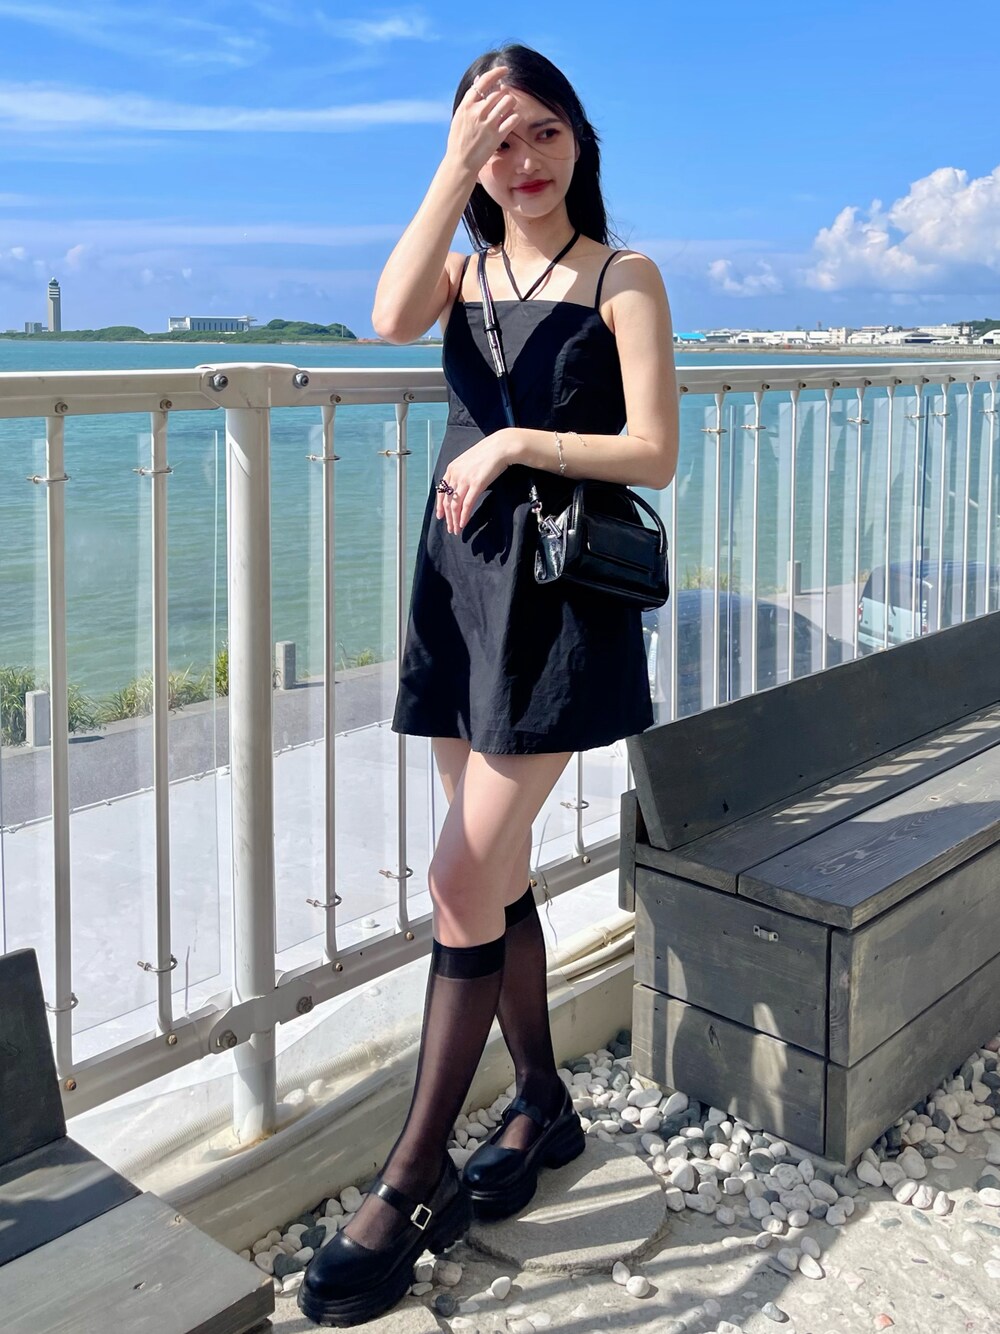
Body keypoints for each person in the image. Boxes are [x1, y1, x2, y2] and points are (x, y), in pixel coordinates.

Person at [298, 42, 678, 1328]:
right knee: (495, 872)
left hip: (558, 600)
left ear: (580, 138)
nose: (523, 162)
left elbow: (653, 450)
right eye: (497, 142)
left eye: (542, 132)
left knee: (459, 874)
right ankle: (542, 1103)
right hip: (462, 588)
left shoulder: (622, 275)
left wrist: (515, 437)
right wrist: (444, 169)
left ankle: (414, 1184)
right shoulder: (462, 273)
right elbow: (388, 315)